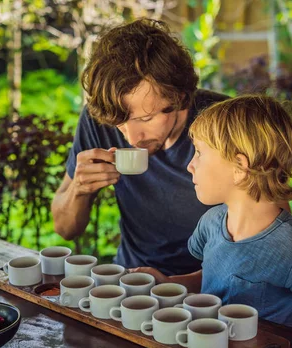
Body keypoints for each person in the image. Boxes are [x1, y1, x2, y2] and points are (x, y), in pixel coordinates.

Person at [134, 95, 292, 348]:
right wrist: (166, 283)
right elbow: (214, 280)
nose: (190, 165)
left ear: (239, 167)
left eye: (199, 152)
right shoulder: (211, 223)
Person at [51, 18, 233, 276]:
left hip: (215, 288)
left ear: (180, 97)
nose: (132, 139)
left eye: (146, 119)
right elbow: (65, 229)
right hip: (132, 281)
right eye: (120, 124)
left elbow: (269, 236)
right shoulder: (101, 119)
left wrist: (177, 285)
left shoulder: (226, 124)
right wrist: (79, 190)